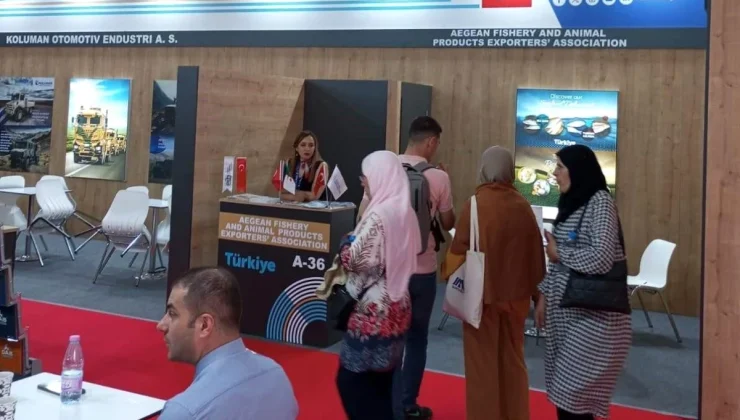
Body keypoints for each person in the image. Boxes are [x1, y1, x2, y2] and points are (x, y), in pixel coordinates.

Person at [443, 146, 546, 420]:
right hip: (517, 297)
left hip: (482, 297)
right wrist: (538, 295)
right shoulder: (523, 205)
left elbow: (458, 251)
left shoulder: (476, 204)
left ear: (484, 169)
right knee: (514, 360)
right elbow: (536, 254)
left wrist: (446, 273)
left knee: (482, 365)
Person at [534, 145, 632, 420]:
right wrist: (543, 295)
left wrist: (559, 253)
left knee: (572, 401)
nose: (554, 173)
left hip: (595, 323)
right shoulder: (572, 203)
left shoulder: (599, 202)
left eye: (560, 167)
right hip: (569, 318)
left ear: (578, 170)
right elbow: (561, 262)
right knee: (567, 400)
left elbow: (601, 258)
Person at [335, 150, 422, 420]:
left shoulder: (379, 215)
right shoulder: (405, 211)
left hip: (373, 313)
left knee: (351, 382)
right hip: (399, 305)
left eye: (367, 175)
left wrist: (345, 243)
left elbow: (355, 260)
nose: (364, 181)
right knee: (381, 384)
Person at [157, 267, 298, 420]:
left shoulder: (185, 412)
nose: (161, 325)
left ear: (204, 325)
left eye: (172, 314)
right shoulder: (277, 375)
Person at [394, 116, 455, 420]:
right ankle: (407, 405)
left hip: (390, 270)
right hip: (422, 270)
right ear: (430, 141)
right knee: (417, 338)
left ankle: (386, 403)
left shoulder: (385, 169)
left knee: (389, 338)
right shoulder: (439, 177)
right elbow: (448, 222)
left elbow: (365, 215)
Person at [281, 130, 327, 202]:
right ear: (296, 148)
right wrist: (298, 196)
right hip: (292, 206)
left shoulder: (321, 166)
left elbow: (315, 196)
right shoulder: (289, 163)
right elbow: (281, 193)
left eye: (311, 145)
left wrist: (295, 195)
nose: (307, 149)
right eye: (303, 145)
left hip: (315, 207)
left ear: (315, 148)